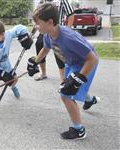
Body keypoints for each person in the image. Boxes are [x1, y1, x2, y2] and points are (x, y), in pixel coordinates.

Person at [28, 3, 99, 140]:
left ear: (50, 22)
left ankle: (79, 130)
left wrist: (79, 77)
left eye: (38, 23)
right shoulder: (49, 35)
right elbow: (45, 49)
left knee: (66, 93)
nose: (36, 26)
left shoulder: (68, 38)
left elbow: (92, 59)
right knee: (69, 86)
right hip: (72, 63)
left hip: (85, 63)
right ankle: (90, 99)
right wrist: (35, 61)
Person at [34, 0, 74, 81]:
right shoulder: (42, 1)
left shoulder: (63, 1)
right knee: (39, 45)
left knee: (59, 53)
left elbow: (71, 14)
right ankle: (43, 73)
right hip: (45, 30)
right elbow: (36, 17)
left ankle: (63, 79)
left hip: (58, 31)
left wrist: (68, 29)